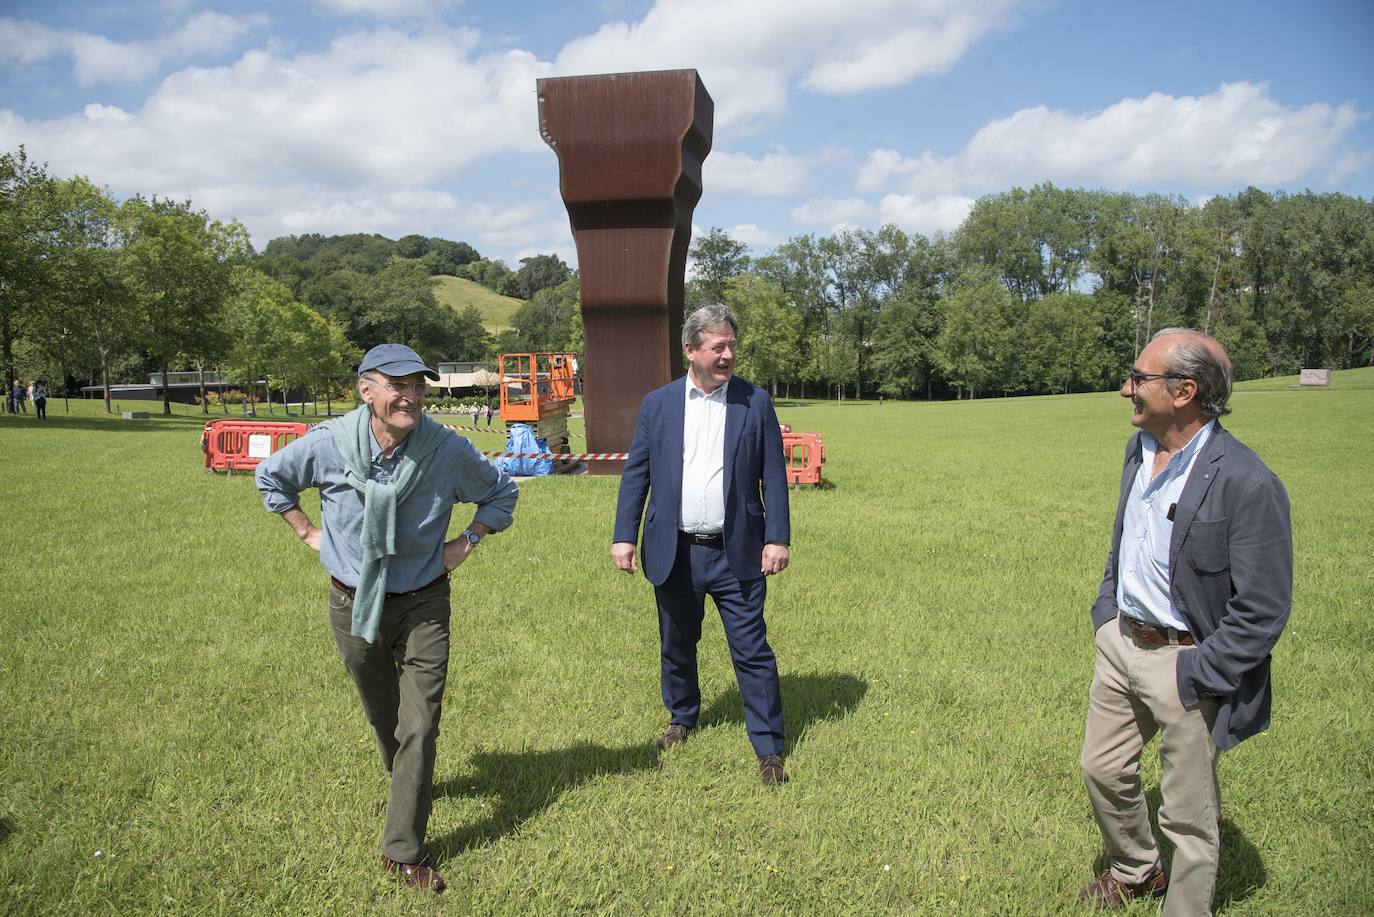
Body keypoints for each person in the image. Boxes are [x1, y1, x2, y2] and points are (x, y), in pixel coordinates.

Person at [255, 343, 518, 894]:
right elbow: (271, 479)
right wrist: (306, 531)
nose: (411, 395)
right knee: (386, 718)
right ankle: (406, 776)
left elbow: (501, 493)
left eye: (418, 385)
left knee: (420, 724)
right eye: (397, 385)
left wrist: (468, 539)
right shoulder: (327, 445)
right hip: (352, 603)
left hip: (424, 602)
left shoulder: (446, 449)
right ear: (365, 390)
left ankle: (403, 850)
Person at [1078, 329, 1293, 914]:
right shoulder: (1139, 450)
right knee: (1100, 768)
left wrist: (1197, 670)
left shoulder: (1247, 482)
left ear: (1184, 391)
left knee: (1186, 814)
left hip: (1187, 662)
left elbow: (1264, 608)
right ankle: (1137, 869)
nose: (1127, 388)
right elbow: (1125, 541)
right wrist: (1107, 612)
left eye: (1139, 378)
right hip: (1120, 642)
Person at [612, 304, 792, 785]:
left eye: (732, 345)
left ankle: (769, 748)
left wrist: (776, 537)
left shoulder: (755, 402)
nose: (728, 354)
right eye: (718, 346)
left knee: (752, 649)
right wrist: (624, 535)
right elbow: (638, 475)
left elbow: (773, 476)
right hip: (676, 551)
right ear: (690, 350)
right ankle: (682, 717)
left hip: (740, 552)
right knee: (677, 643)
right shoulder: (659, 404)